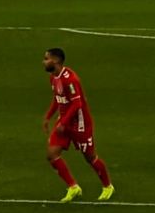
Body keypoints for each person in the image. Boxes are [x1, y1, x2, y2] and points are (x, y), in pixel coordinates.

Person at [42, 47, 114, 203]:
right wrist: (48, 117)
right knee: (52, 154)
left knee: (90, 157)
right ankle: (73, 187)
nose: (44, 61)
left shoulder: (71, 79)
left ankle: (107, 186)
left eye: (46, 59)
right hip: (64, 121)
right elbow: (57, 98)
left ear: (56, 61)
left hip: (79, 123)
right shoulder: (53, 78)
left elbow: (77, 104)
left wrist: (64, 122)